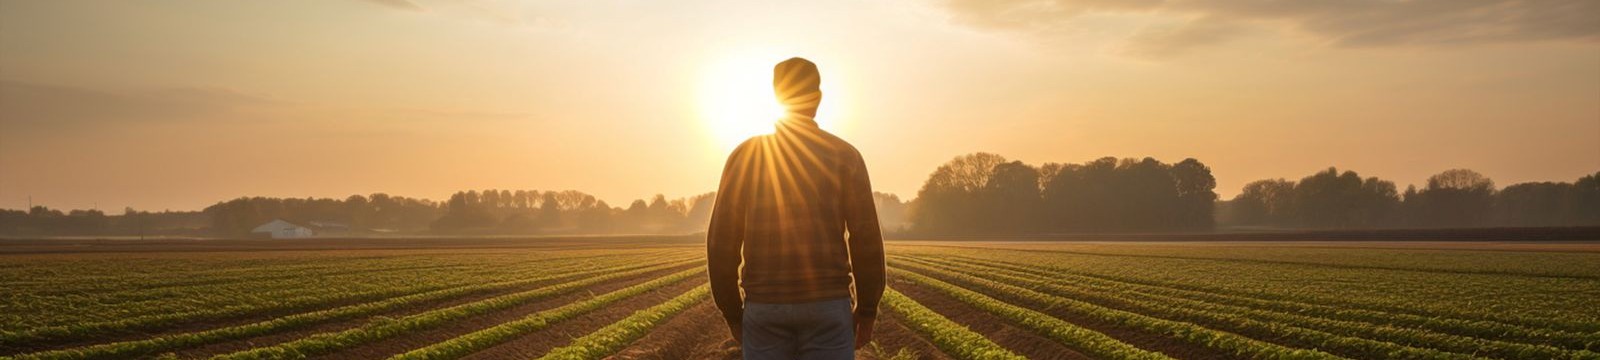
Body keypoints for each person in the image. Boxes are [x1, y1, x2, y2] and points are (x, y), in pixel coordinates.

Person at [707, 57, 886, 360]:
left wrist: (733, 314)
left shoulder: (744, 156)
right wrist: (866, 311)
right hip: (827, 305)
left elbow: (721, 242)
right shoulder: (844, 156)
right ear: (818, 98)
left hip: (765, 306)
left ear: (776, 98)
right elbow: (865, 239)